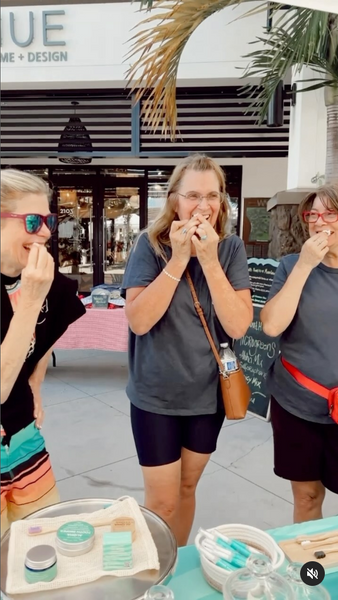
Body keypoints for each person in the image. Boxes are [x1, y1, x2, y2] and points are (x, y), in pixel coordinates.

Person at [121, 154, 253, 545]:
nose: (204, 205)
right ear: (175, 200)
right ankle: (155, 573)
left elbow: (238, 324)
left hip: (208, 395)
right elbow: (139, 320)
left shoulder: (230, 248)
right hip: (156, 395)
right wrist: (179, 260)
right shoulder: (150, 245)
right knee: (161, 503)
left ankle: (174, 571)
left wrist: (209, 261)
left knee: (186, 489)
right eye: (193, 194)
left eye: (212, 195)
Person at [1, 169, 86, 534]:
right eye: (32, 221)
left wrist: (36, 380)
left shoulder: (47, 284)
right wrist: (31, 301)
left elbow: (55, 325)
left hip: (24, 437)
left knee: (39, 541)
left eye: (48, 220)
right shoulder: (37, 289)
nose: (47, 232)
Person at [261, 184, 338, 523]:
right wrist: (305, 266)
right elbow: (272, 325)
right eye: (312, 215)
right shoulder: (291, 266)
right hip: (297, 403)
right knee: (306, 497)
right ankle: (311, 573)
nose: (319, 222)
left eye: (330, 213)